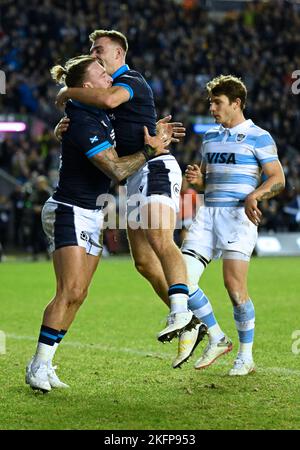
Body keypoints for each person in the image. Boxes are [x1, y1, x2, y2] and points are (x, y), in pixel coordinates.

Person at [26, 55, 170, 392]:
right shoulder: (84, 120)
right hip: (68, 208)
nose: (110, 78)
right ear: (87, 86)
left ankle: (45, 363)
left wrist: (154, 131)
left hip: (91, 211)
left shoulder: (98, 115)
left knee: (79, 294)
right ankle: (38, 366)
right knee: (69, 291)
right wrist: (151, 152)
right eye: (102, 74)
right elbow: (117, 171)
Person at [55, 30, 204, 344]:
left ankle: (181, 312)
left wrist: (66, 92)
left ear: (119, 54)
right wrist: (63, 124)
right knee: (144, 262)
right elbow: (102, 118)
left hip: (153, 166)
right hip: (131, 178)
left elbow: (109, 99)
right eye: (91, 51)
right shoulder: (101, 100)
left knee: (160, 238)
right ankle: (207, 328)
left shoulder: (130, 81)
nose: (94, 56)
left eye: (99, 51)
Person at [173, 75, 285, 374]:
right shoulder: (210, 137)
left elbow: (277, 177)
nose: (212, 108)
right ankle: (218, 337)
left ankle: (246, 356)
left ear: (236, 103)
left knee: (234, 289)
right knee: (181, 281)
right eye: (211, 102)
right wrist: (198, 181)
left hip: (237, 218)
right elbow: (208, 179)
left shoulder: (258, 136)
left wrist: (256, 194)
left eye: (218, 102)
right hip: (207, 215)